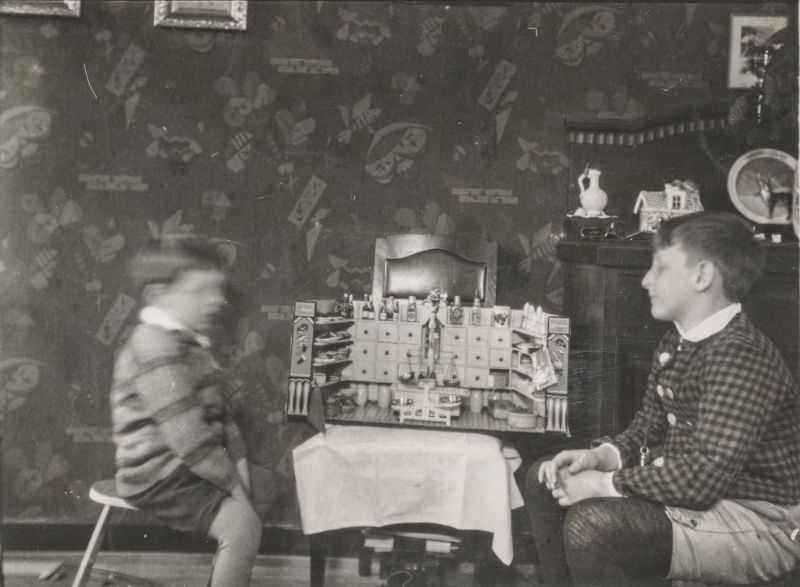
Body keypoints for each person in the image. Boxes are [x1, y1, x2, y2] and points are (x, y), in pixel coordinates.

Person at [525, 211, 800, 587]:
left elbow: (703, 478)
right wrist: (599, 457)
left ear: (702, 276)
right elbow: (645, 431)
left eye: (660, 268)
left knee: (591, 525)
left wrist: (607, 484)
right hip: (705, 503)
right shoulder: (678, 341)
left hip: (761, 522)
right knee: (544, 480)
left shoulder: (739, 354)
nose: (645, 280)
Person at [110, 236, 261, 587]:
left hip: (186, 463)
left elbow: (221, 418)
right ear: (156, 295)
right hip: (155, 473)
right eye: (201, 291)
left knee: (261, 496)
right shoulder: (153, 345)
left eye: (218, 289)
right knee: (243, 526)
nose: (217, 300)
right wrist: (235, 489)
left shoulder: (190, 344)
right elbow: (189, 436)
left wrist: (240, 469)